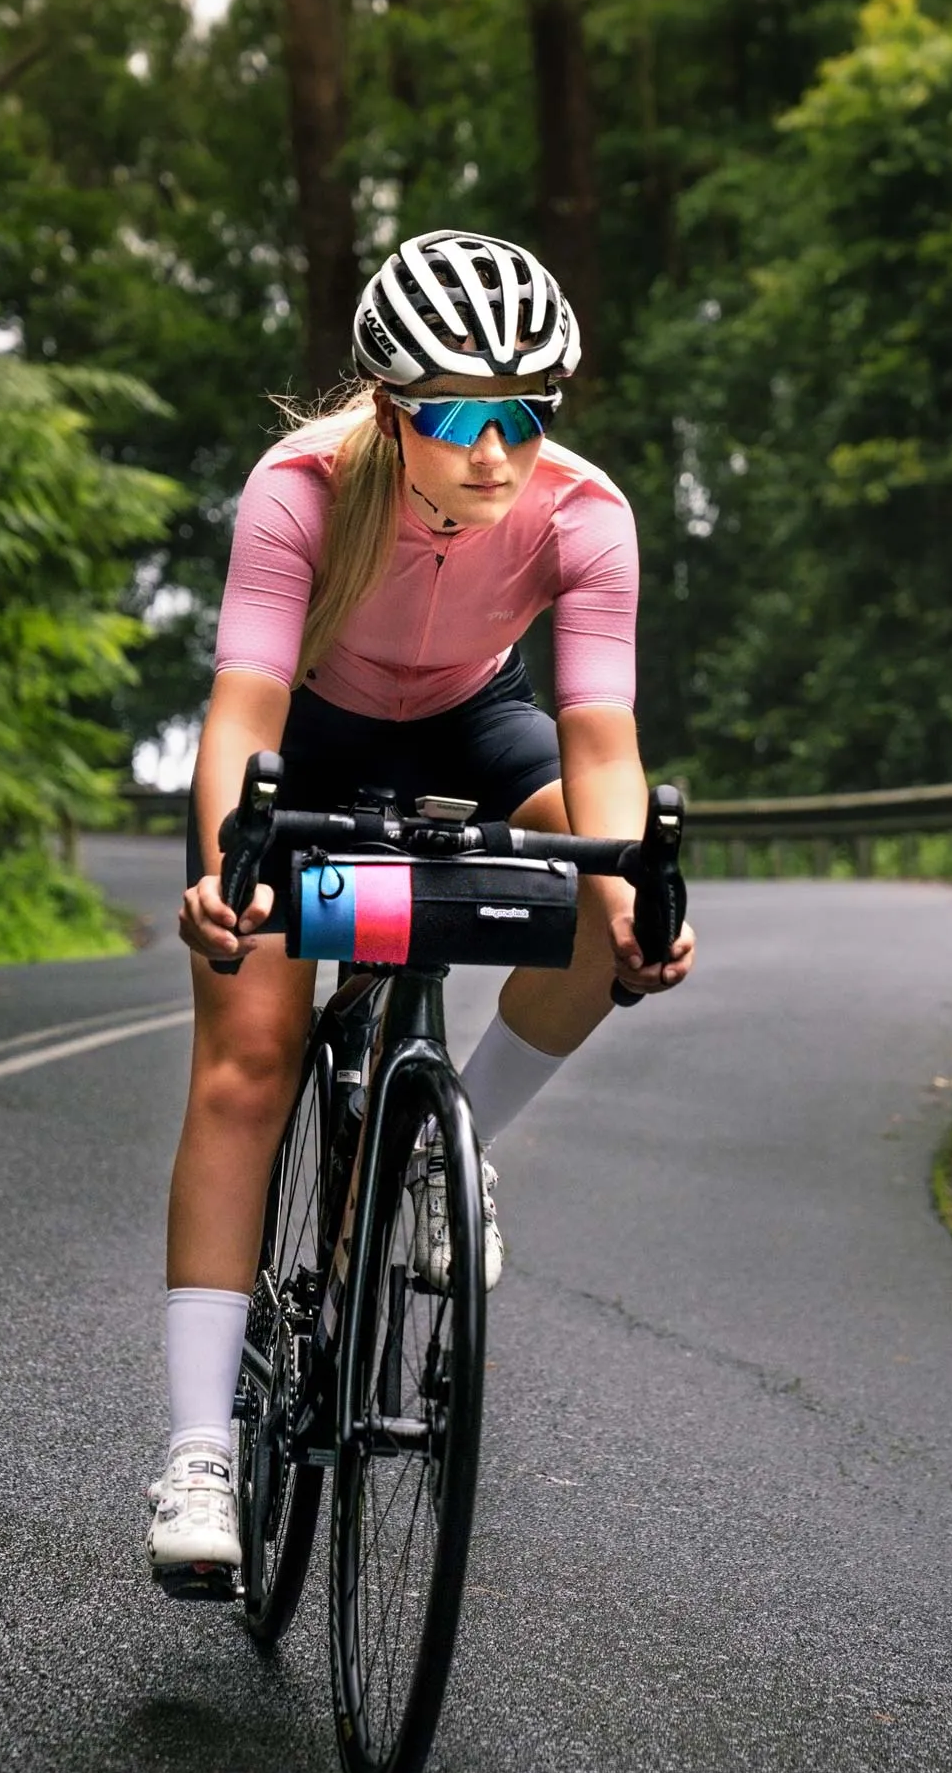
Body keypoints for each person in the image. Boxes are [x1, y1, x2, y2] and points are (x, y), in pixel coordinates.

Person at [147, 229, 697, 1593]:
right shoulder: (301, 491)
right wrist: (230, 865)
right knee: (249, 1059)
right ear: (392, 411)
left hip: (474, 723)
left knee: (600, 904)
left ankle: (440, 1145)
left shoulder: (586, 514)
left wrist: (626, 881)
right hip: (313, 737)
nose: (497, 450)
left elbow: (602, 738)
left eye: (527, 414)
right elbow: (244, 714)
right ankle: (199, 1447)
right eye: (460, 414)